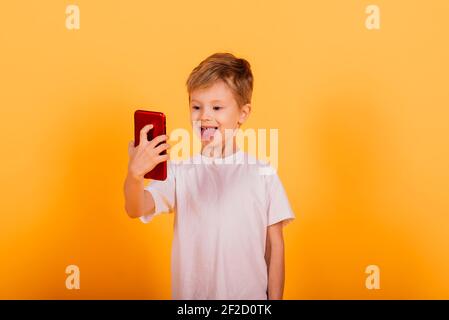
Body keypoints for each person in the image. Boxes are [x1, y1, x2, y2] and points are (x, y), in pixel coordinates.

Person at [124, 53, 295, 299]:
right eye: (196, 106)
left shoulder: (262, 173)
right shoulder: (179, 172)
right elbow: (135, 207)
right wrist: (135, 175)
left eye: (216, 107)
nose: (204, 116)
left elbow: (275, 247)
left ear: (243, 114)